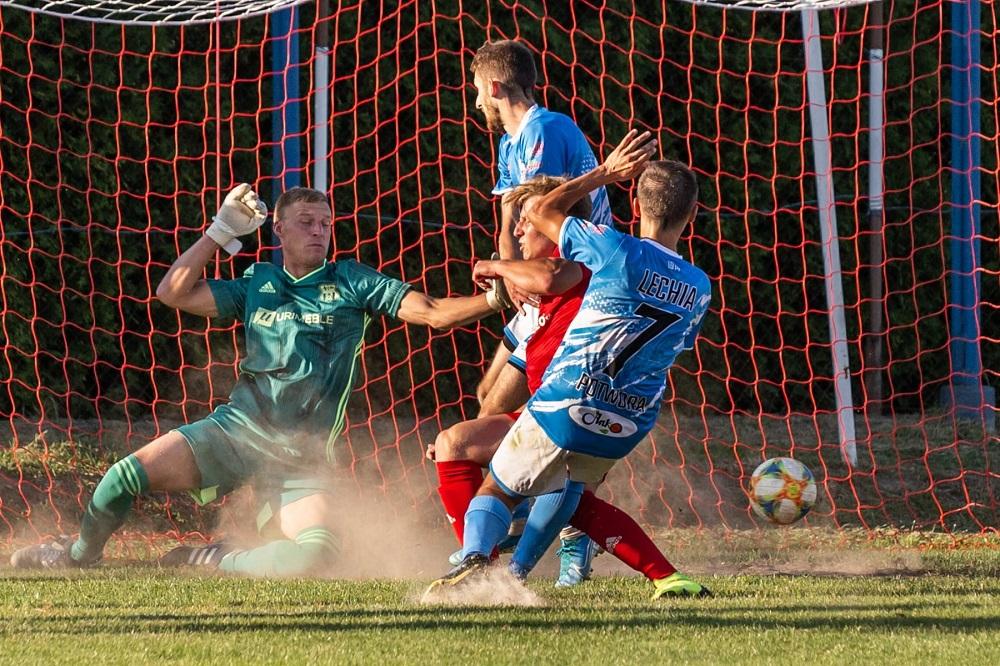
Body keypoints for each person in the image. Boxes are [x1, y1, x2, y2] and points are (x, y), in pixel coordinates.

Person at [11, 184, 508, 575]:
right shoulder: (258, 282)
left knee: (315, 557)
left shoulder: (352, 281)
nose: (320, 232)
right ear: (279, 232)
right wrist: (219, 231)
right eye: (306, 222)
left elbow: (434, 313)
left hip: (299, 461)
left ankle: (212, 559)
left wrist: (491, 301)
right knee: (122, 478)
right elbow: (173, 292)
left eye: (326, 224)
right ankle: (77, 554)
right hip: (234, 431)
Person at [428, 130, 712, 598]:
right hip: (629, 420)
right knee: (566, 490)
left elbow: (542, 221)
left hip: (570, 399)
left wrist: (604, 174)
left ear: (635, 209)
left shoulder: (612, 248)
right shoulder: (699, 286)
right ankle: (657, 575)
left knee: (497, 489)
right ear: (693, 215)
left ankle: (478, 563)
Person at [430, 38, 612, 582]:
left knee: (566, 420)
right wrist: (508, 274)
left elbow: (539, 210)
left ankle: (570, 534)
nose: (474, 101)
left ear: (493, 86)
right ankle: (501, 531)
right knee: (491, 401)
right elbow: (513, 219)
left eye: (475, 89)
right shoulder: (514, 140)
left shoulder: (541, 129)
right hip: (536, 292)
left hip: (573, 290)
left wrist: (511, 272)